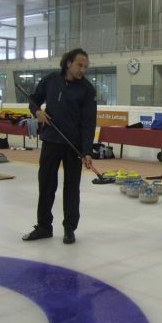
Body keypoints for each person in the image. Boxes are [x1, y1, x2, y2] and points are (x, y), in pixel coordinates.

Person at [22, 48, 97, 244]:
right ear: (68, 63)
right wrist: (37, 112)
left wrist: (87, 150)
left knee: (72, 188)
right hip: (51, 141)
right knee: (46, 184)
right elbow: (34, 100)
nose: (83, 70)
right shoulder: (50, 80)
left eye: (85, 67)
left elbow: (89, 122)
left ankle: (69, 228)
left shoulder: (87, 90)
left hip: (74, 146)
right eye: (80, 65)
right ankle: (44, 227)